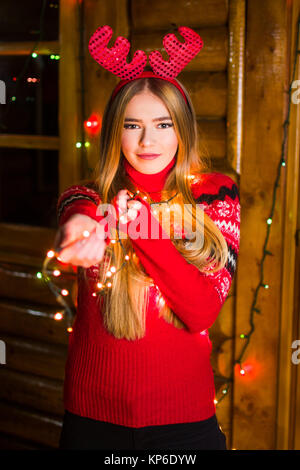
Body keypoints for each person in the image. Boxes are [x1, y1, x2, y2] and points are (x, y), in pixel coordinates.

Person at [55, 25, 240, 450]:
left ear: (183, 129)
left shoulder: (216, 194)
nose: (147, 140)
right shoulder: (86, 196)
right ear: (114, 132)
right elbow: (79, 214)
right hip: (93, 420)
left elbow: (202, 310)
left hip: (184, 421)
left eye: (162, 124)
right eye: (132, 125)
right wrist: (80, 231)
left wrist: (144, 230)